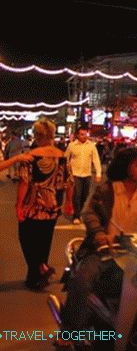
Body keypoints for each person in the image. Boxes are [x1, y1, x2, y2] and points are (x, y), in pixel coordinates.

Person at [57, 149, 137, 344]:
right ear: (126, 168)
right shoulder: (107, 191)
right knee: (84, 280)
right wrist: (99, 234)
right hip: (104, 251)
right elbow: (89, 213)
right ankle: (69, 332)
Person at [15, 119, 72, 290]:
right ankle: (38, 274)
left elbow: (24, 182)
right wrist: (69, 202)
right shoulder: (62, 155)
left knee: (26, 238)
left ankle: (39, 271)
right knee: (44, 240)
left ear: (37, 135)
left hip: (33, 204)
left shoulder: (30, 156)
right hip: (54, 203)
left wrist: (19, 204)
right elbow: (69, 181)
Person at [65, 127, 102, 225]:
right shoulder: (72, 146)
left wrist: (98, 173)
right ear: (77, 135)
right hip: (75, 174)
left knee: (85, 195)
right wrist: (67, 172)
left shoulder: (91, 146)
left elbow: (96, 160)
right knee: (76, 195)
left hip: (87, 174)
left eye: (85, 134)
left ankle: (79, 212)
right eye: (82, 134)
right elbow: (66, 159)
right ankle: (76, 216)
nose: (84, 136)